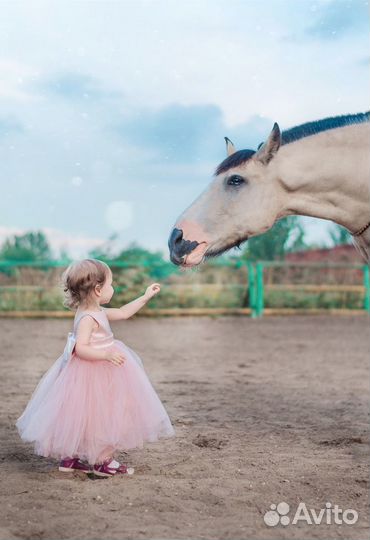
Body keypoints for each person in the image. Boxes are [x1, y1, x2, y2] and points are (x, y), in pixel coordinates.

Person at [16, 258, 175, 477]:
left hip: (99, 366)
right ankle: (103, 462)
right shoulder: (88, 318)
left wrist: (145, 296)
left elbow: (123, 312)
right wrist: (105, 354)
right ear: (99, 289)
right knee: (104, 414)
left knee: (83, 415)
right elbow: (80, 348)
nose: (114, 288)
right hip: (94, 370)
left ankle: (70, 459)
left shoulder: (96, 311)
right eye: (111, 284)